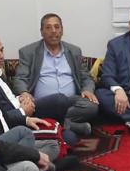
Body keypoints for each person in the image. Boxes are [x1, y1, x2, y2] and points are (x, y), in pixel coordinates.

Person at [12, 13, 99, 142]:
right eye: (48, 27)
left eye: (57, 27)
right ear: (41, 32)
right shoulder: (29, 52)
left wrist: (87, 90)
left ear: (62, 30)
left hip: (70, 100)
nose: (53, 31)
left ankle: (58, 123)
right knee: (58, 100)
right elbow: (20, 78)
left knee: (92, 106)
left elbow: (85, 76)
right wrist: (24, 92)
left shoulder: (74, 51)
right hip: (43, 103)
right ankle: (70, 126)